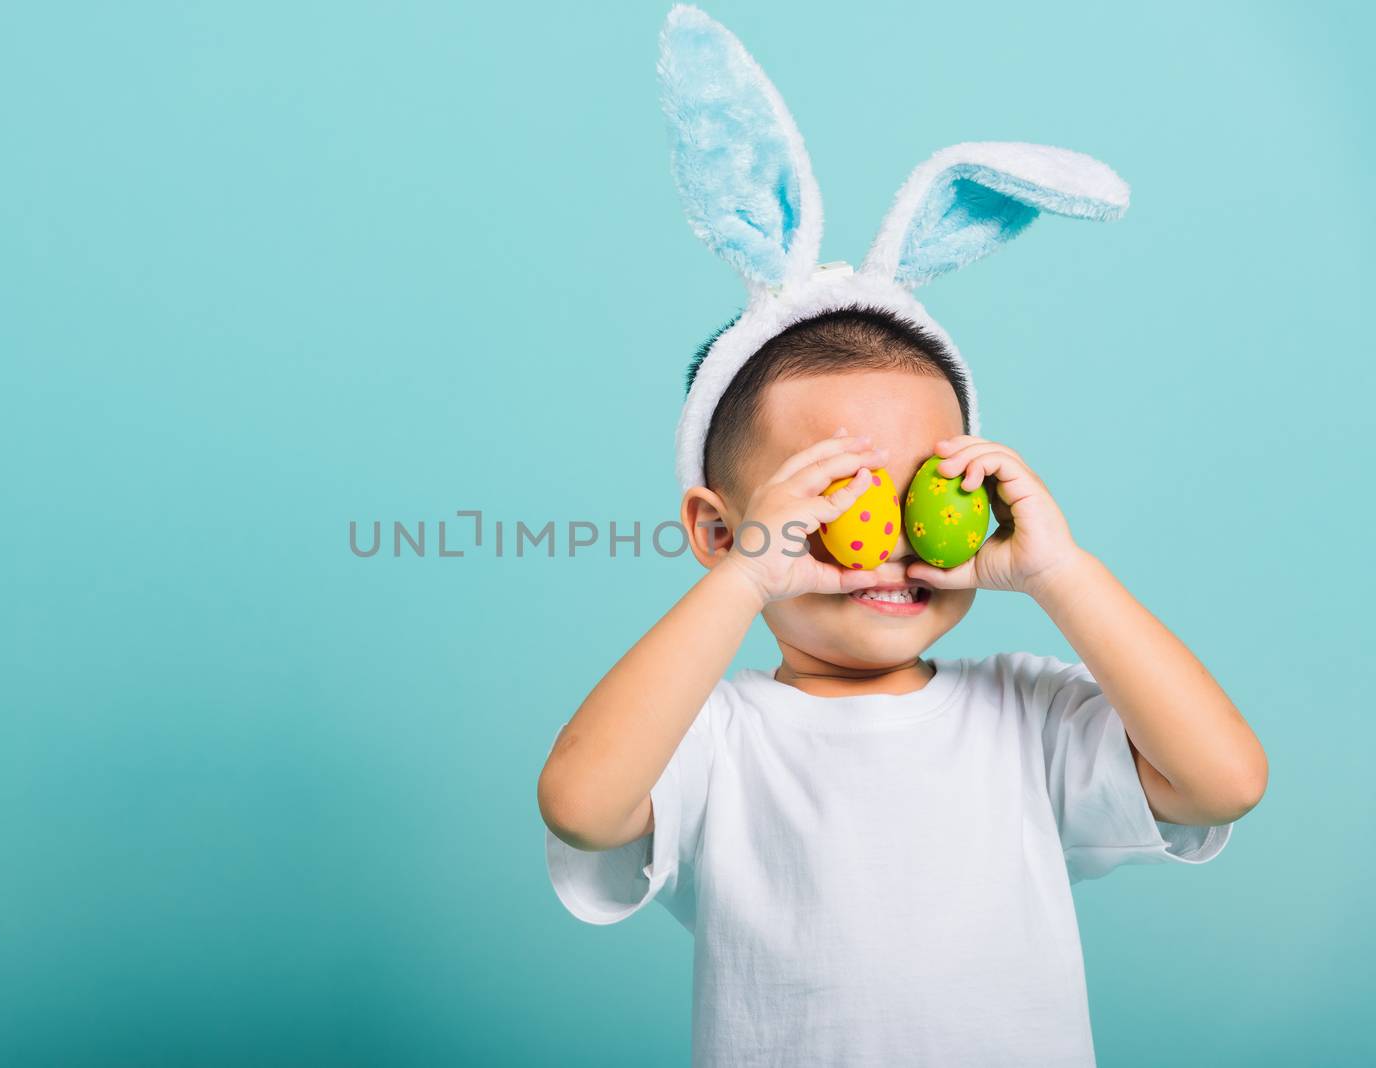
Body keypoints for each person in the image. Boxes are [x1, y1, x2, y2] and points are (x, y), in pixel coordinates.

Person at [535, 7, 1268, 1065]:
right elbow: (581, 805)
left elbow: (1223, 781)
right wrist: (741, 584)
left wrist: (1059, 572)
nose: (882, 544)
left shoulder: (1021, 715)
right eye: (831, 500)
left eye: (923, 486)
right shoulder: (714, 740)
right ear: (720, 528)